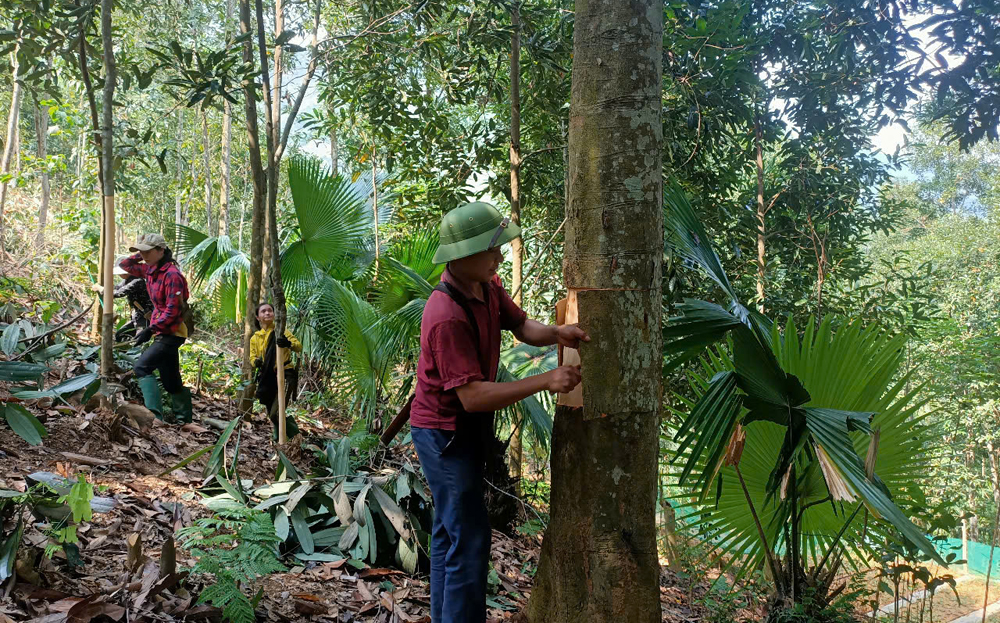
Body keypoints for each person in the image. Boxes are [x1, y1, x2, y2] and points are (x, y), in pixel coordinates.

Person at [411, 201, 588, 623]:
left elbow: (522, 326)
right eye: (491, 250)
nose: (498, 257)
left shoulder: (487, 286)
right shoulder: (446, 315)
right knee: (469, 540)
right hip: (443, 434)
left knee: (449, 532)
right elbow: (471, 396)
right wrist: (546, 380)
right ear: (463, 255)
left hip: (464, 430)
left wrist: (557, 333)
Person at [120, 233, 193, 424]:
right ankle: (184, 421)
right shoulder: (150, 270)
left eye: (148, 251)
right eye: (141, 252)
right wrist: (140, 249)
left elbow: (173, 311)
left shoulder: (172, 275)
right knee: (171, 380)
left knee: (142, 367)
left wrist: (150, 329)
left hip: (172, 331)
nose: (143, 255)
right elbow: (125, 265)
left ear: (161, 251)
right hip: (161, 329)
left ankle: (154, 418)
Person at [249, 303, 302, 440]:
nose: (267, 313)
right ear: (258, 317)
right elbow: (252, 357)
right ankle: (279, 437)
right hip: (267, 378)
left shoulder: (281, 331)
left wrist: (287, 343)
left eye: (270, 311)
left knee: (275, 413)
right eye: (263, 311)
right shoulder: (255, 337)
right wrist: (256, 362)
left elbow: (298, 347)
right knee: (272, 411)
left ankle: (295, 437)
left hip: (284, 374)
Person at [112, 257, 153, 341]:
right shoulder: (127, 280)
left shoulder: (137, 280)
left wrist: (102, 290)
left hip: (145, 315)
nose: (120, 275)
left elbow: (119, 293)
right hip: (137, 315)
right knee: (120, 334)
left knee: (140, 339)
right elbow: (117, 288)